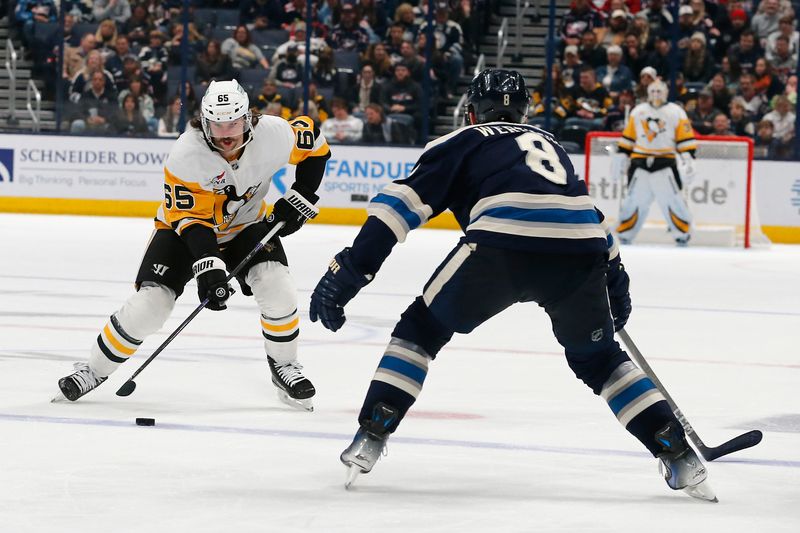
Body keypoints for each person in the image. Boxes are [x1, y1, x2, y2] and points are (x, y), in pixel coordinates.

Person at [309, 69, 715, 502]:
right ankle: (676, 453)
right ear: (524, 111)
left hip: (500, 246)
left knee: (420, 332)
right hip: (579, 256)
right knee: (601, 360)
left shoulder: (460, 141)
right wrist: (615, 281)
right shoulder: (553, 146)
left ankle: (371, 434)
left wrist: (353, 269)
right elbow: (589, 216)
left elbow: (397, 209)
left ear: (470, 112)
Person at [56, 80, 332, 412]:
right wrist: (210, 269)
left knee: (277, 286)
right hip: (183, 232)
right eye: (217, 124)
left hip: (245, 227)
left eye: (233, 123)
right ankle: (94, 369)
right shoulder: (187, 155)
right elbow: (192, 223)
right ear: (203, 122)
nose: (226, 133)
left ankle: (284, 366)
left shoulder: (273, 133)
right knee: (151, 306)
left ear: (248, 119)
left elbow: (315, 143)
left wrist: (301, 196)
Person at [615, 80, 697, 246]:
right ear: (648, 92)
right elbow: (628, 139)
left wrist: (688, 159)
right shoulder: (638, 111)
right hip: (639, 163)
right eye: (653, 91)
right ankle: (625, 233)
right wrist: (621, 158)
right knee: (634, 201)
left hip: (665, 163)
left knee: (673, 201)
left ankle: (682, 233)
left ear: (666, 92)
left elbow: (685, 140)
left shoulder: (676, 112)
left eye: (659, 91)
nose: (656, 94)